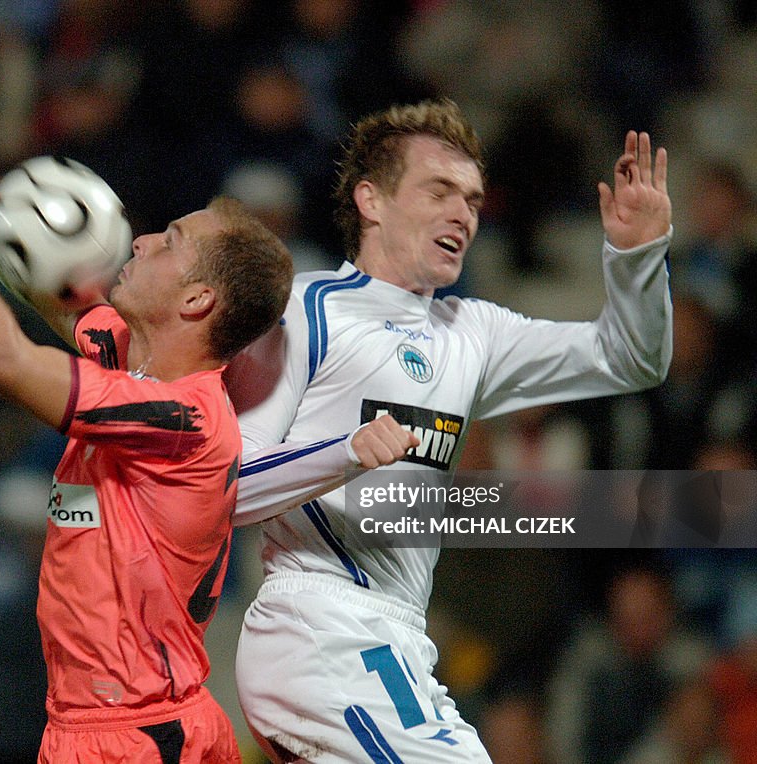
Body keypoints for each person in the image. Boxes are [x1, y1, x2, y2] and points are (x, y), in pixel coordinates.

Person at [0, 74, 304, 764]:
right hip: (91, 726)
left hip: (139, 737)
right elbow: (47, 284)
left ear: (196, 302)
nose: (141, 241)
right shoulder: (132, 360)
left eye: (170, 242)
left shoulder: (183, 420)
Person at [226, 99, 673, 762]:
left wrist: (636, 259)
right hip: (321, 627)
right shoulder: (304, 313)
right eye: (439, 191)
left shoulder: (474, 333)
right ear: (371, 200)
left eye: (472, 198)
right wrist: (341, 453)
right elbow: (227, 489)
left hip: (398, 639)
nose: (463, 213)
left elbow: (629, 357)